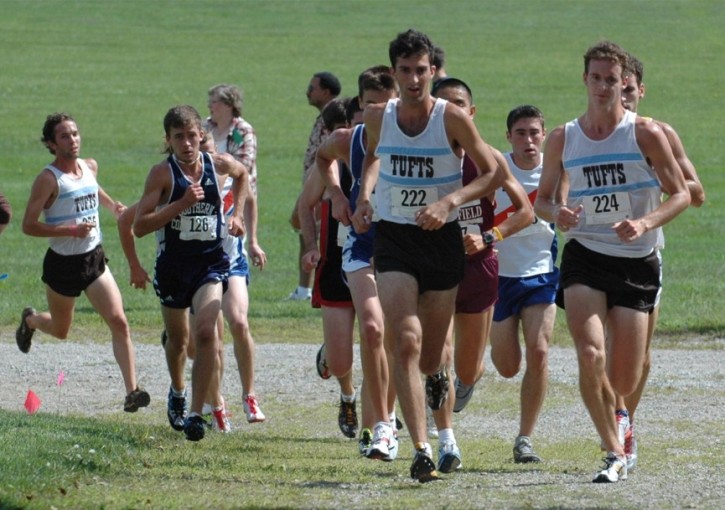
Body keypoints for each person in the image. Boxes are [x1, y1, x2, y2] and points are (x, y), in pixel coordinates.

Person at [351, 29, 504, 483]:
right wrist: (365, 195)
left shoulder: (452, 119)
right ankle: (419, 447)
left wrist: (449, 203)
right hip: (395, 238)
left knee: (433, 354)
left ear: (433, 71)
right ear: (394, 73)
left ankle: (438, 381)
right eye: (406, 71)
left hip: (442, 241)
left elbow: (493, 172)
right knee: (406, 342)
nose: (415, 79)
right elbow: (374, 157)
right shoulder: (380, 116)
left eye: (422, 70)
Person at [534, 41, 690, 483]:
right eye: (596, 78)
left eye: (612, 79)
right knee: (588, 352)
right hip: (585, 253)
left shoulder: (645, 133)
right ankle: (611, 449)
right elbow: (543, 200)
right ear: (585, 80)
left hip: (637, 259)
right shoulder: (563, 137)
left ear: (625, 83)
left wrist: (644, 223)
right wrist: (557, 213)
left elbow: (680, 194)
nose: (604, 86)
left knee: (624, 374)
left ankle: (623, 418)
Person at [427, 78, 533, 473]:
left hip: (479, 267)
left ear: (470, 114)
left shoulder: (487, 157)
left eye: (459, 105)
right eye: (444, 105)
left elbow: (525, 211)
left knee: (468, 368)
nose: (452, 113)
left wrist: (490, 235)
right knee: (440, 355)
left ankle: (461, 385)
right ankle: (446, 439)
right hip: (434, 268)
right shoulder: (421, 157)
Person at [16, 112, 150, 413]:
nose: (72, 140)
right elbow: (28, 225)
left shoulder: (89, 166)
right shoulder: (48, 179)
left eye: (75, 133)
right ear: (52, 143)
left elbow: (93, 189)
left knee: (119, 321)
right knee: (62, 330)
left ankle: (132, 391)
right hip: (62, 264)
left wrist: (112, 204)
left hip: (93, 259)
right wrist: (70, 230)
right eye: (64, 136)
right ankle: (31, 320)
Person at [133, 105, 249, 441]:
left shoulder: (217, 163)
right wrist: (179, 205)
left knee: (206, 333)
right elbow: (139, 226)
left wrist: (238, 215)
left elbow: (242, 174)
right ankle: (178, 389)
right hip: (172, 267)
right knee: (178, 340)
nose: (186, 143)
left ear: (201, 135)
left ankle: (197, 414)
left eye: (191, 136)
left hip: (209, 264)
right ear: (168, 140)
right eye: (178, 137)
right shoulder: (162, 174)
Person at [612, 54, 706, 470]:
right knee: (605, 344)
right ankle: (615, 422)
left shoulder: (658, 133)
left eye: (630, 88)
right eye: (617, 87)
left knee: (639, 352)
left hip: (647, 252)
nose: (623, 96)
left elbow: (696, 192)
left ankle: (628, 418)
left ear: (640, 90)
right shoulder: (590, 133)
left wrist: (650, 168)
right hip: (598, 251)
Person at [316, 66, 400, 461]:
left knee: (404, 342)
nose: (377, 115)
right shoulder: (348, 138)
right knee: (371, 327)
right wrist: (335, 194)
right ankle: (379, 425)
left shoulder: (420, 138)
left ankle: (387, 415)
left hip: (407, 247)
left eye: (385, 106)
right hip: (361, 245)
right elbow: (323, 157)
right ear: (359, 106)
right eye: (369, 107)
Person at [488, 104, 558, 464]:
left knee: (540, 351)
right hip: (499, 276)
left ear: (543, 135)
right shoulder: (497, 168)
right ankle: (468, 376)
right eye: (521, 133)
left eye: (534, 132)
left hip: (542, 272)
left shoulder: (557, 171)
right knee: (507, 367)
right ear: (508, 136)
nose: (528, 140)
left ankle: (525, 438)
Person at [205, 84, 267, 429]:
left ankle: (249, 394)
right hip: (202, 263)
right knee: (210, 336)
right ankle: (216, 403)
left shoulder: (240, 140)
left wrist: (251, 236)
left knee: (239, 322)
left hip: (232, 255)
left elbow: (247, 180)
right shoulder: (184, 175)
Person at [300, 97, 359, 441]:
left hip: (377, 265)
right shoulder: (329, 166)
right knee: (340, 360)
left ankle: (384, 411)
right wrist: (310, 247)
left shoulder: (386, 160)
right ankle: (348, 395)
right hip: (335, 266)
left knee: (381, 339)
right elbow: (303, 206)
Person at [288, 72, 342, 301]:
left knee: (320, 238)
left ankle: (317, 290)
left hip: (324, 190)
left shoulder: (334, 117)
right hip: (314, 187)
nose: (308, 91)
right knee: (304, 232)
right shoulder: (324, 116)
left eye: (313, 87)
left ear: (326, 92)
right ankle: (304, 290)